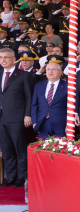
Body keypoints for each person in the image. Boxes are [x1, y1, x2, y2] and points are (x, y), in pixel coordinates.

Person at [0, 47, 32, 188]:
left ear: (14, 59)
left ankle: (22, 177)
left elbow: (29, 97)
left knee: (20, 148)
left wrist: (27, 114)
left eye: (6, 57)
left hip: (17, 117)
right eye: (1, 57)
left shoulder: (24, 75)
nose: (3, 60)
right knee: (6, 149)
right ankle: (11, 177)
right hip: (1, 117)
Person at [30, 57, 67, 139]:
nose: (50, 71)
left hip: (61, 124)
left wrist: (69, 124)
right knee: (43, 146)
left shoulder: (67, 86)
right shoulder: (39, 86)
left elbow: (71, 106)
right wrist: (35, 122)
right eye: (48, 69)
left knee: (60, 146)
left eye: (53, 69)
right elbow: (34, 105)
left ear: (60, 72)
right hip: (42, 123)